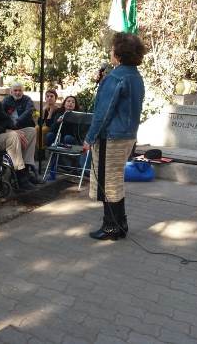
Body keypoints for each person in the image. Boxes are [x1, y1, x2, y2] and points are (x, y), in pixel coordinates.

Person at [83, 33, 146, 241]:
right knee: (116, 180)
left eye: (112, 49)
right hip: (128, 136)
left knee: (108, 182)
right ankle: (120, 224)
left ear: (119, 53)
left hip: (111, 137)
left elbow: (103, 113)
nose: (110, 52)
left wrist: (89, 138)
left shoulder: (116, 77)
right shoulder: (135, 76)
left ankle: (111, 227)